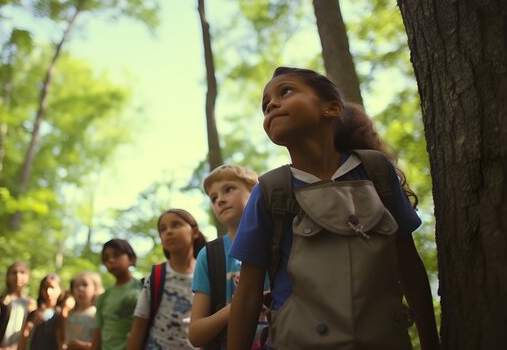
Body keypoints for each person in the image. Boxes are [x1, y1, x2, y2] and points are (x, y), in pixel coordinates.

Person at [227, 67, 439, 350]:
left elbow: (408, 264)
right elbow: (248, 294)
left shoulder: (375, 172)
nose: (271, 105)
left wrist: (430, 342)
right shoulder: (270, 191)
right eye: (265, 107)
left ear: (332, 108)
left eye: (285, 91)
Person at [189, 165, 267, 349]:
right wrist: (239, 306)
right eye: (213, 198)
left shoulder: (279, 244)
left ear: (255, 192)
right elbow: (196, 335)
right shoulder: (208, 256)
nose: (220, 200)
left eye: (229, 189)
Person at [128, 209, 207, 349]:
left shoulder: (207, 273)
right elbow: (139, 326)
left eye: (176, 225)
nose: (168, 231)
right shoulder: (156, 275)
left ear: (194, 232)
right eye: (163, 229)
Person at [88, 239, 141, 350]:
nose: (111, 260)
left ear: (131, 259)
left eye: (116, 255)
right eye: (106, 258)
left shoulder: (143, 289)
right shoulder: (104, 297)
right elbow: (97, 333)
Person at [0, 261, 37, 350]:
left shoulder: (31, 303)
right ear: (7, 276)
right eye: (14, 272)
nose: (18, 276)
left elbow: (30, 331)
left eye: (22, 272)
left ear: (28, 277)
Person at [18, 273, 64, 350]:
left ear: (60, 290)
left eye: (52, 288)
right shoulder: (34, 314)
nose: (48, 292)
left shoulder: (62, 314)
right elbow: (24, 337)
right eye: (45, 288)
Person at [62, 271, 104, 349]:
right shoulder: (71, 313)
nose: (80, 289)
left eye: (85, 285)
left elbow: (101, 343)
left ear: (95, 289)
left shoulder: (97, 313)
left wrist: (85, 346)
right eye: (76, 286)